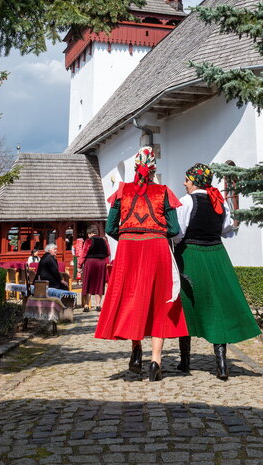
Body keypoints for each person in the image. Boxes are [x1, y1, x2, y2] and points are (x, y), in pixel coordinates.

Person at [95, 147, 187, 382]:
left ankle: (136, 350)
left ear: (135, 168)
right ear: (154, 169)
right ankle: (156, 361)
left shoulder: (122, 191)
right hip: (157, 247)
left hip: (129, 248)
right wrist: (155, 234)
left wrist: (129, 237)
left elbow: (110, 228)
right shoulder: (164, 192)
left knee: (131, 298)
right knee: (159, 301)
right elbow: (174, 229)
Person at [174, 163, 260, 380]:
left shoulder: (186, 202)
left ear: (195, 181)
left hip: (191, 254)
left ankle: (185, 362)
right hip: (216, 255)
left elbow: (178, 233)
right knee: (218, 306)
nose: (184, 183)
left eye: (187, 180)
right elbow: (226, 230)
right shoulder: (219, 201)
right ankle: (221, 364)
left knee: (187, 306)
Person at [80, 224, 110, 312]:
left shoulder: (88, 241)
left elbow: (83, 254)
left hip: (90, 263)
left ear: (89, 233)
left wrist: (79, 265)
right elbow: (108, 253)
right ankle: (98, 305)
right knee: (99, 284)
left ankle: (86, 306)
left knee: (88, 283)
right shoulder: (104, 241)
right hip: (101, 263)